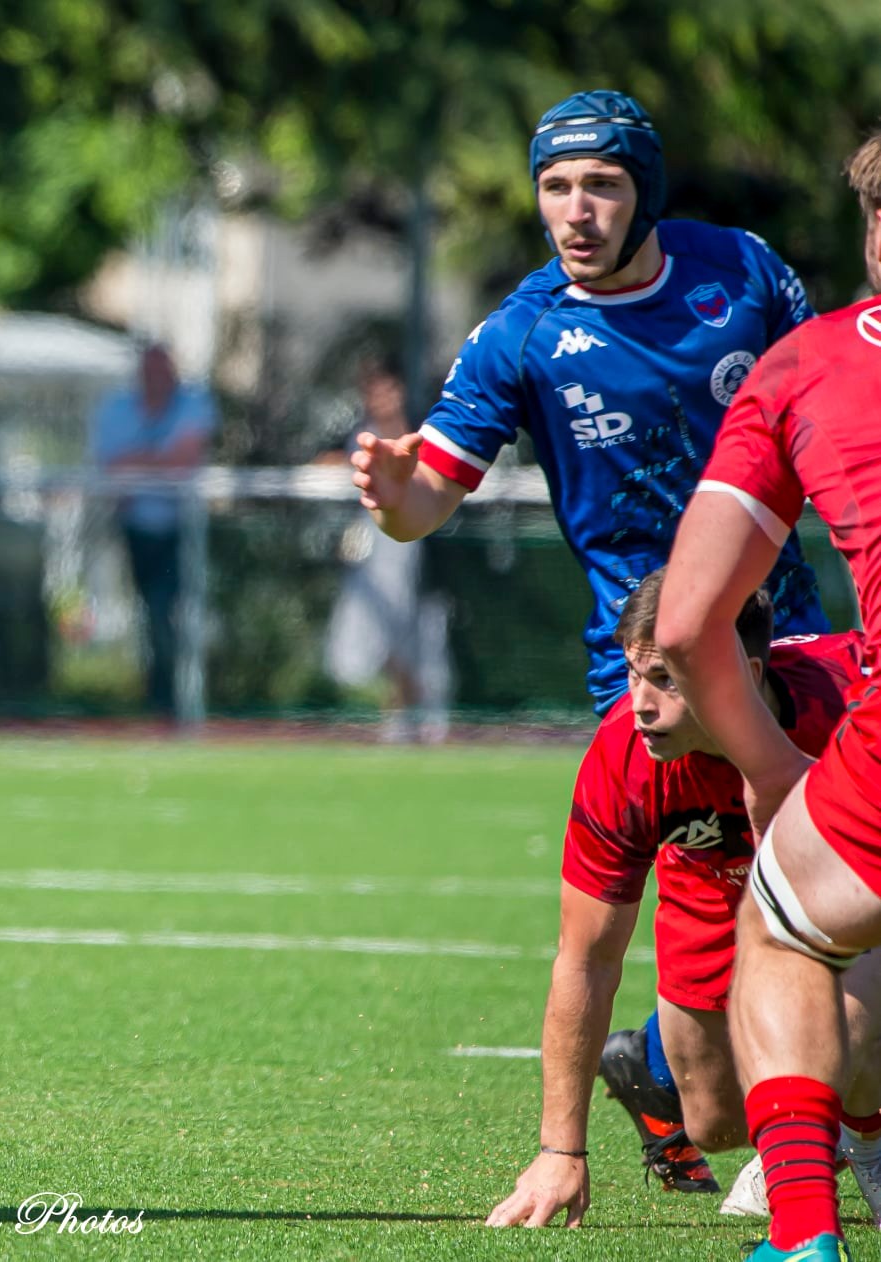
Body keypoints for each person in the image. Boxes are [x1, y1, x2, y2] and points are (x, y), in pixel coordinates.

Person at [351, 89, 831, 1188]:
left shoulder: (742, 274)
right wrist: (390, 498)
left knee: (832, 868)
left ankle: (799, 1115)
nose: (573, 208)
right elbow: (428, 495)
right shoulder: (520, 331)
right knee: (746, 903)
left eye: (599, 184)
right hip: (652, 667)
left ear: (643, 190)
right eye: (554, 186)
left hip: (790, 632)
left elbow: (822, 399)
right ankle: (682, 1075)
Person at [487, 569, 881, 1229]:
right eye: (635, 673)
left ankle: (864, 1143)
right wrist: (560, 1150)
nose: (640, 703)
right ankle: (650, 1067)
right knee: (721, 1121)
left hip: (840, 885)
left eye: (667, 679)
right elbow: (586, 959)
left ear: (747, 673)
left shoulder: (850, 708)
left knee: (848, 1010)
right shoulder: (624, 757)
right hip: (707, 885)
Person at [655, 130, 881, 1262]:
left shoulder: (801, 367)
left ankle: (802, 1236)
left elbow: (690, 623)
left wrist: (770, 769)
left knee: (786, 935)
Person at [320, 356, 447, 742]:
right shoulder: (360, 435)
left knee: (411, 642)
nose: (383, 398)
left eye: (389, 389)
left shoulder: (421, 433)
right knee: (365, 647)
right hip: (373, 556)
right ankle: (395, 715)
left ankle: (414, 716)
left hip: (413, 554)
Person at [87, 342, 214, 715]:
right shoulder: (116, 410)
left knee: (173, 612)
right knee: (151, 612)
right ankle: (160, 698)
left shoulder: (193, 403)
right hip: (136, 528)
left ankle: (182, 698)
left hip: (186, 530)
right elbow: (112, 470)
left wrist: (138, 463)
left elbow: (183, 463)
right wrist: (157, 461)